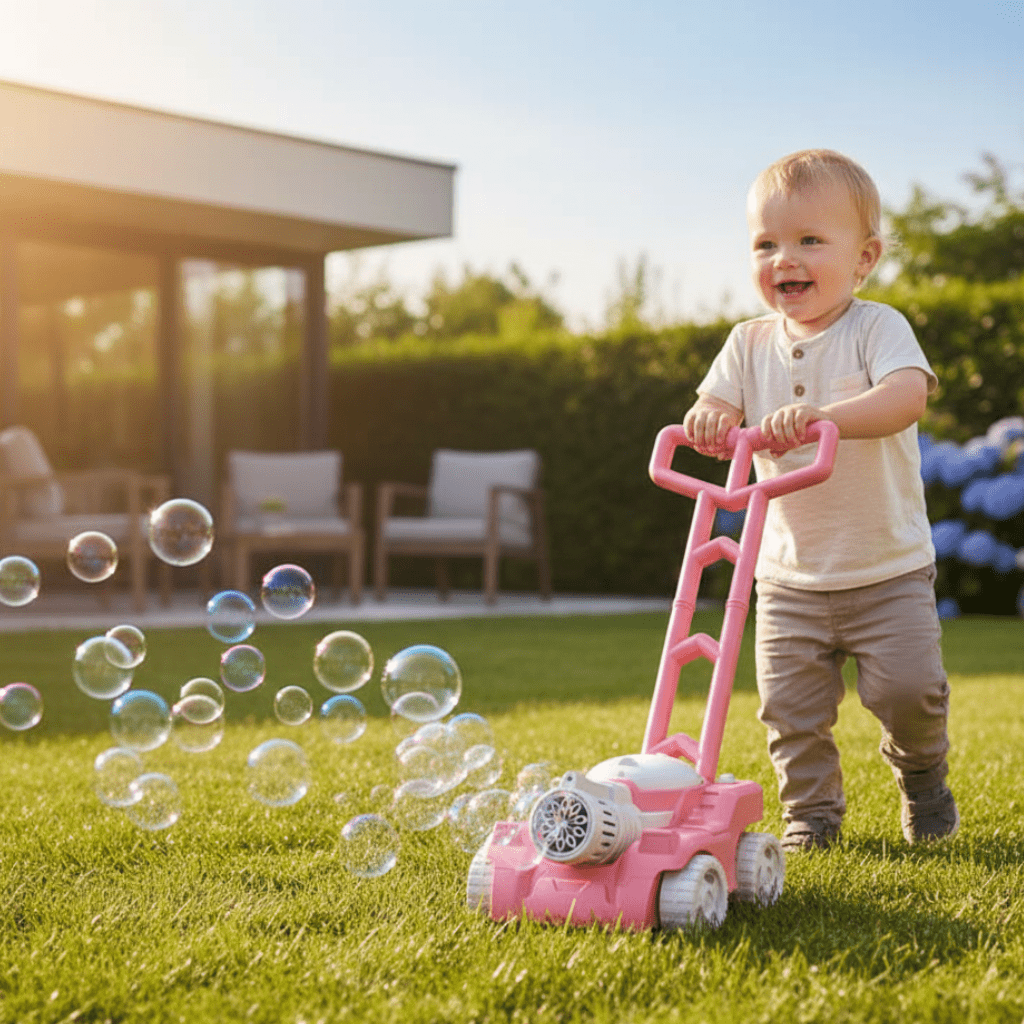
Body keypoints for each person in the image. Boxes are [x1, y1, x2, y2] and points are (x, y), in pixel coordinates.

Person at [683, 148, 957, 851]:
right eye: (766, 243)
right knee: (790, 710)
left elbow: (906, 397)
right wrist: (711, 418)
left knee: (909, 695)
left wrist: (828, 420)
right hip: (786, 577)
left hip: (886, 567)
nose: (785, 258)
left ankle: (921, 772)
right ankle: (811, 815)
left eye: (809, 240)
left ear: (863, 259)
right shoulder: (747, 344)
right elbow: (711, 403)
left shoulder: (876, 328)